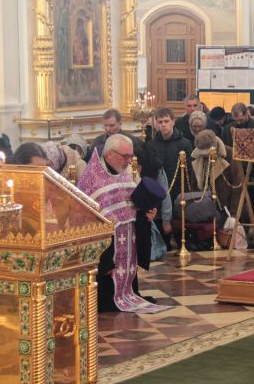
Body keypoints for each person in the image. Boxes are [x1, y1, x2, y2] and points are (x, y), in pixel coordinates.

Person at [77, 134, 165, 313]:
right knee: (107, 296)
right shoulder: (92, 179)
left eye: (131, 156)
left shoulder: (126, 174)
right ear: (110, 154)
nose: (129, 161)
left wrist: (148, 214)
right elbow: (91, 223)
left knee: (130, 285)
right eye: (125, 156)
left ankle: (129, 292)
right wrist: (106, 263)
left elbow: (134, 207)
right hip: (108, 252)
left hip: (128, 242)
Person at [188, 130, 242, 223]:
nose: (205, 155)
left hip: (226, 208)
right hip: (204, 207)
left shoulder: (230, 154)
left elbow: (238, 186)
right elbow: (194, 183)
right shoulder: (199, 156)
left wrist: (234, 214)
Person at [145, 107, 194, 191]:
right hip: (158, 189)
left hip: (180, 189)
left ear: (173, 122)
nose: (163, 125)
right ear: (156, 124)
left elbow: (189, 170)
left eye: (166, 121)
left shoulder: (185, 144)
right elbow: (149, 171)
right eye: (160, 122)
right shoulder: (151, 145)